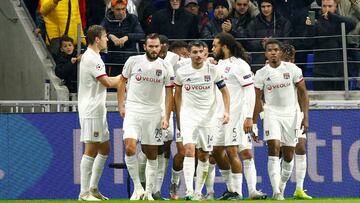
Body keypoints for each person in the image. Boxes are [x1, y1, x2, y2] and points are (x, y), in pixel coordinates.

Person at [117, 33, 174, 200]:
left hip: (154, 113)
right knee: (130, 148)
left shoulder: (165, 66)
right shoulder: (133, 61)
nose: (154, 49)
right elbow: (122, 81)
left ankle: (148, 192)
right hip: (133, 110)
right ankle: (137, 188)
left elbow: (169, 93)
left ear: (160, 47)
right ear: (145, 47)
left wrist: (166, 117)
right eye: (151, 46)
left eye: (157, 46)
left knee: (151, 154)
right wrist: (121, 105)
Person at [211, 32, 267, 200]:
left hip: (236, 115)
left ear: (225, 47)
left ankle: (241, 192)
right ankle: (232, 189)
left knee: (233, 150)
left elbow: (250, 91)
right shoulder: (218, 65)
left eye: (215, 45)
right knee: (216, 151)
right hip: (219, 116)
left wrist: (249, 117)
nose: (212, 49)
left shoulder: (240, 64)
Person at [252, 39, 309, 200]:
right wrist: (254, 121)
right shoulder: (261, 74)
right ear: (266, 54)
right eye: (269, 50)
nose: (273, 52)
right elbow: (256, 100)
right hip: (272, 113)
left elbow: (303, 93)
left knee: (289, 155)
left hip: (292, 114)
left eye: (276, 49)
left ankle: (281, 187)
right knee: (274, 147)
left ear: (280, 52)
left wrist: (305, 117)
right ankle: (276, 192)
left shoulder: (292, 69)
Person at [174, 40, 230, 200]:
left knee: (204, 155)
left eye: (201, 52)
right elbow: (177, 96)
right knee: (189, 150)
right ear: (189, 54)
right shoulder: (182, 73)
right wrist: (179, 115)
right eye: (195, 52)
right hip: (188, 116)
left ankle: (198, 191)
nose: (198, 55)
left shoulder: (213, 71)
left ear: (206, 53)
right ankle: (189, 191)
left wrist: (226, 111)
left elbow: (225, 92)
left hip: (208, 118)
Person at [77, 25, 120, 201]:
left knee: (105, 148)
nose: (107, 39)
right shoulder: (92, 58)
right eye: (105, 37)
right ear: (97, 39)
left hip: (98, 109)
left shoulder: (95, 57)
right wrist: (125, 76)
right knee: (91, 149)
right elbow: (108, 83)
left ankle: (93, 188)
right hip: (91, 110)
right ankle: (83, 193)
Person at [280, 44, 312, 200]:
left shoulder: (296, 72)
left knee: (300, 147)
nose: (290, 61)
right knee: (282, 152)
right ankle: (279, 189)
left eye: (292, 58)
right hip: (277, 116)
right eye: (287, 58)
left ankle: (299, 188)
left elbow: (304, 95)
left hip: (296, 115)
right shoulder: (271, 72)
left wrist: (304, 116)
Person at [305, 0, 356, 90]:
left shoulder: (340, 21)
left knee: (341, 102)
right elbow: (308, 43)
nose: (327, 9)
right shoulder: (316, 23)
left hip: (340, 70)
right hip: (321, 71)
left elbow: (352, 24)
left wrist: (332, 16)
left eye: (330, 6)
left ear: (335, 7)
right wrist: (309, 28)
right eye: (324, 6)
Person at [245, 0, 292, 72]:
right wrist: (261, 43)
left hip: (279, 59)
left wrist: (273, 44)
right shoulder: (253, 22)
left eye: (268, 6)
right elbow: (248, 43)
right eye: (263, 7)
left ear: (273, 7)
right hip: (259, 61)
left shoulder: (284, 22)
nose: (266, 9)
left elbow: (288, 41)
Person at [101, 0, 145, 77]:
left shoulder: (132, 18)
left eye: (123, 9)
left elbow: (141, 35)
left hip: (131, 59)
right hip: (113, 60)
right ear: (112, 9)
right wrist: (110, 36)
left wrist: (127, 37)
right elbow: (99, 33)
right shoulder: (106, 20)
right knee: (113, 87)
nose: (121, 12)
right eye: (118, 9)